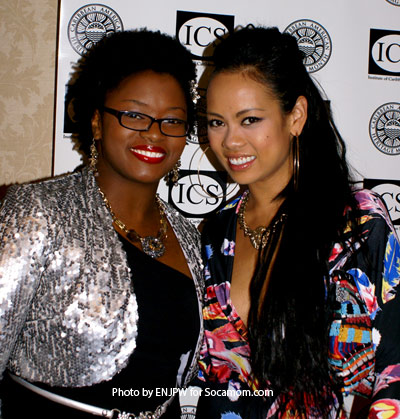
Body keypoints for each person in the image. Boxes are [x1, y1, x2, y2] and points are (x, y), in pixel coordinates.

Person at [195, 26, 400, 418]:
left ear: (296, 116)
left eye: (250, 120)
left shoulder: (356, 226)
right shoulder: (214, 235)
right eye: (216, 122)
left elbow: (396, 371)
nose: (229, 141)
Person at [0, 29, 204, 419]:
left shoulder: (189, 238)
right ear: (96, 121)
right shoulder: (39, 211)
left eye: (172, 121)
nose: (154, 132)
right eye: (134, 114)